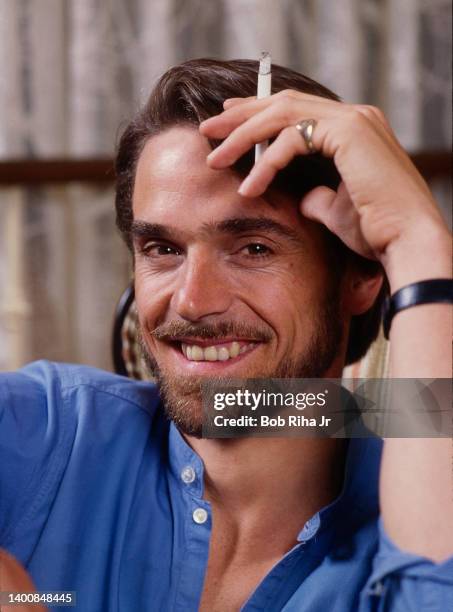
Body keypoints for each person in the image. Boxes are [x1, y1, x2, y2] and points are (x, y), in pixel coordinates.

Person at [0, 59, 452, 611]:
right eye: (162, 250)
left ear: (360, 274)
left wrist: (419, 244)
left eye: (253, 248)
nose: (193, 301)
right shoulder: (46, 431)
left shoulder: (418, 497)